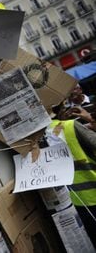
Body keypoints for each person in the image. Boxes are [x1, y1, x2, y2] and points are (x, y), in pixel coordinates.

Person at [50, 102, 96, 247]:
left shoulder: (35, 137)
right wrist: (91, 120)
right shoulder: (70, 126)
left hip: (74, 202)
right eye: (64, 107)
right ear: (58, 111)